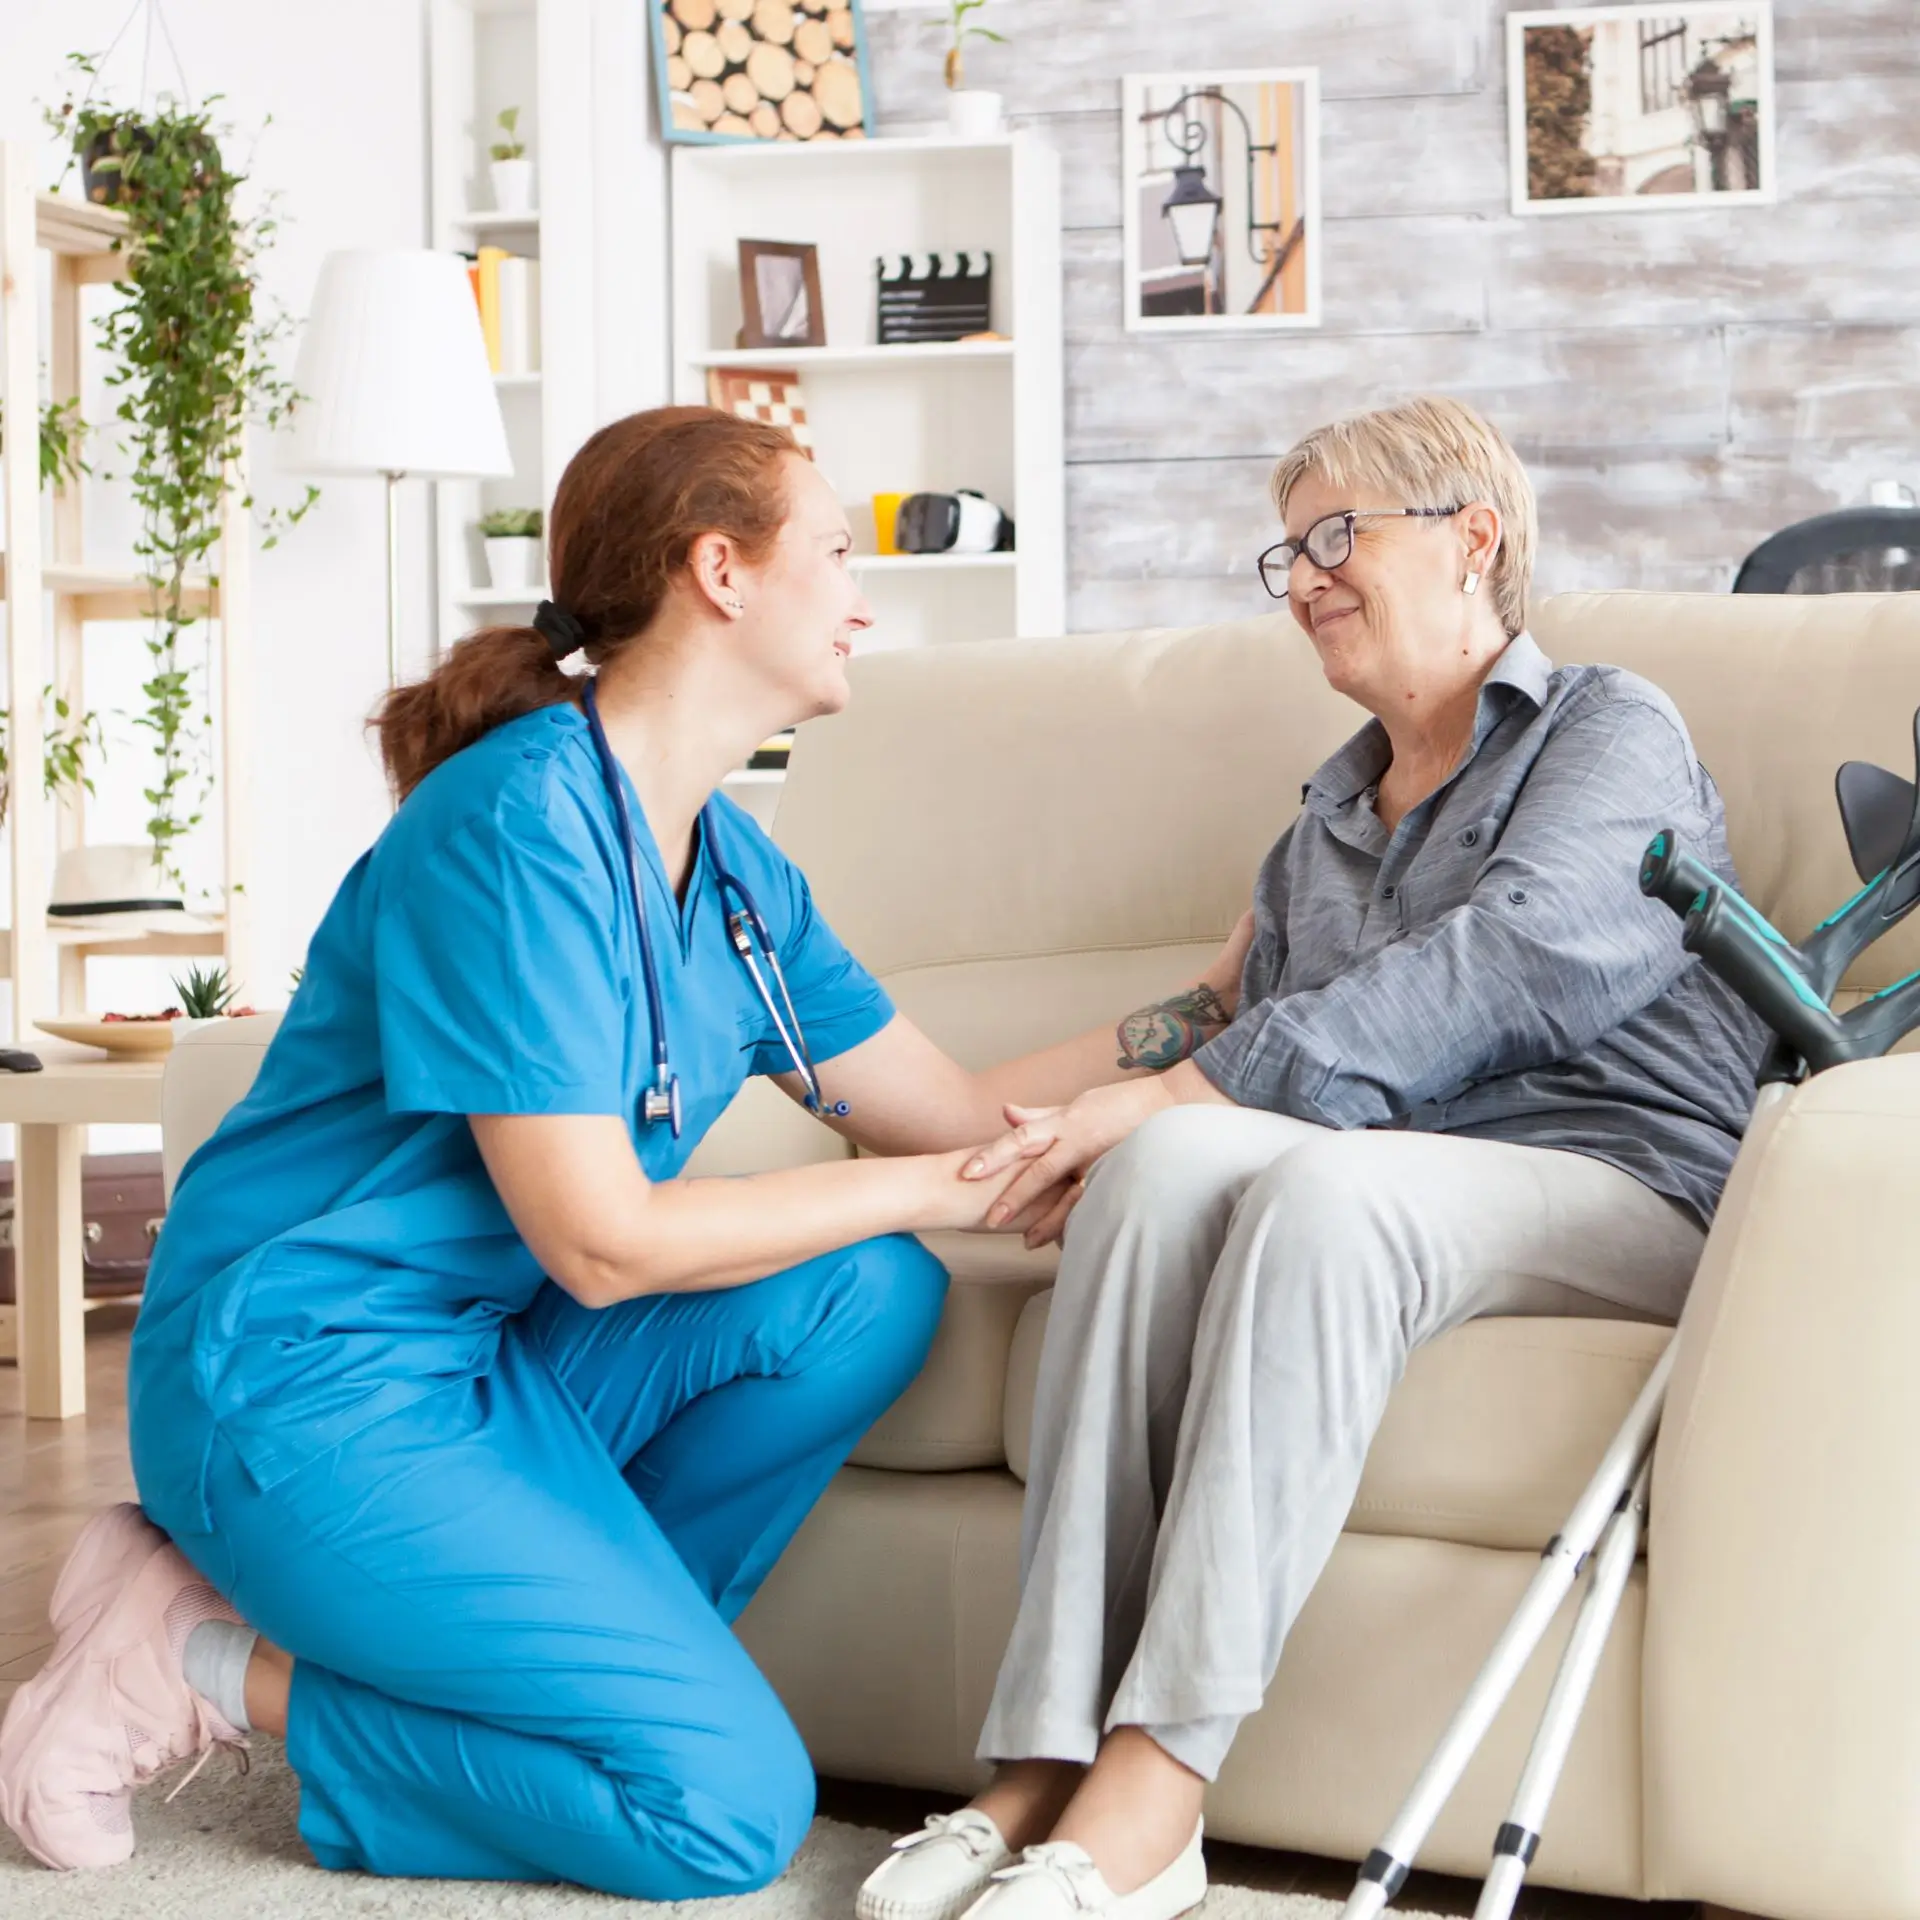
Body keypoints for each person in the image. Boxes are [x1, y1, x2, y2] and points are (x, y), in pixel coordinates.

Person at [0, 407, 1252, 1895]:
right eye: (837, 552)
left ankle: (584, 1691)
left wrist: (1213, 1017)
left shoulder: (733, 872)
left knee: (869, 1291)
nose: (864, 596)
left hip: (481, 1364)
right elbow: (598, 1243)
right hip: (300, 1379)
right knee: (718, 1815)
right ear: (720, 571)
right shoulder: (512, 828)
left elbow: (969, 1119)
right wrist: (927, 1186)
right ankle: (194, 1661)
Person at [856, 396, 1766, 1920]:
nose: (1306, 579)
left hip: (1625, 1181)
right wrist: (946, 1129)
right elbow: (1198, 1045)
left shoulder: (1611, 728)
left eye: (1338, 535)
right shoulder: (1321, 832)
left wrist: (1190, 1091)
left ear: (1476, 536)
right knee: (1153, 1178)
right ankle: (1034, 1761)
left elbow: (1522, 958)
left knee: (1301, 1180)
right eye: (1287, 556)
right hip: (1390, 1182)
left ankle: (1158, 1787)